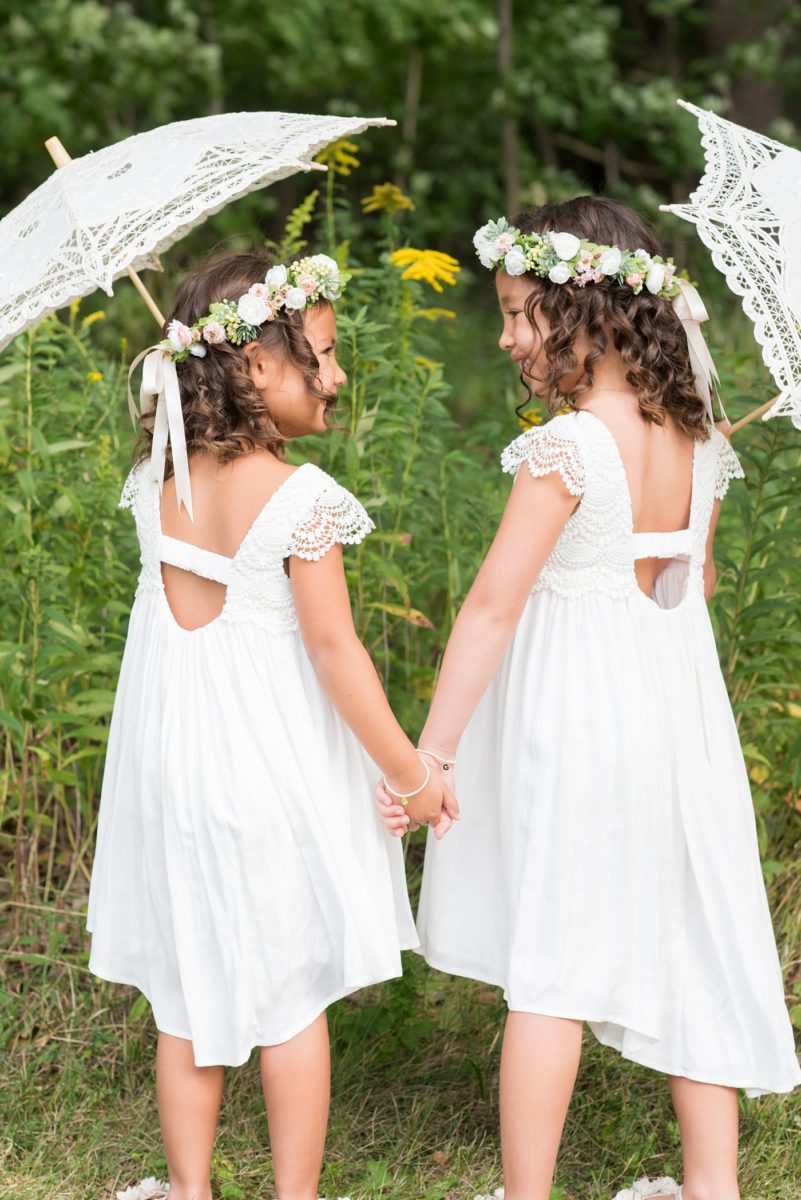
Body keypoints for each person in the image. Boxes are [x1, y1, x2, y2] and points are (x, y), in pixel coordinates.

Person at [378, 197, 801, 1200]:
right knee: (692, 930)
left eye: (524, 313)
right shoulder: (695, 440)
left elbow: (489, 609)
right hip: (675, 715)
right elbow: (684, 587)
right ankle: (713, 1186)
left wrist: (430, 753)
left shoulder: (569, 445)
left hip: (580, 722)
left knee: (555, 959)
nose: (507, 334)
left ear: (590, 313)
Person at [87, 250, 451, 1200]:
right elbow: (335, 655)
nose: (336, 378)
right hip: (266, 771)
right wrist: (411, 774)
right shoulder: (298, 499)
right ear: (253, 368)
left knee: (185, 995)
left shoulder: (158, 480)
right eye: (320, 357)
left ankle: (191, 1188)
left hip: (172, 769)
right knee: (291, 999)